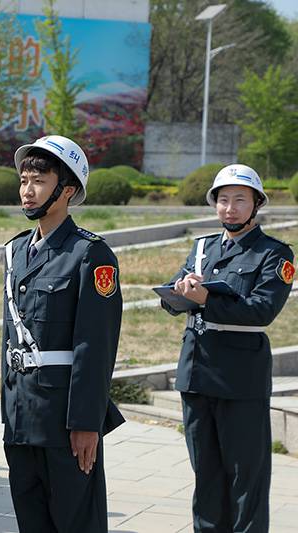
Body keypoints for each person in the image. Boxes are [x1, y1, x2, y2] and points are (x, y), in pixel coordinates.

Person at [161, 164, 294, 533]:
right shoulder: (202, 248)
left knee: (246, 477)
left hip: (240, 379)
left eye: (240, 200)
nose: (230, 208)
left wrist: (206, 299)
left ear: (256, 205)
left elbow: (262, 310)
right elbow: (171, 301)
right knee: (205, 474)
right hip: (196, 373)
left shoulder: (274, 254)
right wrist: (178, 292)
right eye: (223, 200)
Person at [1, 135, 125, 533]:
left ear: (67, 190)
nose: (27, 190)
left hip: (64, 421)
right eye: (24, 180)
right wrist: (8, 412)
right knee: (31, 522)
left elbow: (96, 346)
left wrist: (87, 422)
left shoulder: (90, 254)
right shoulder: (16, 251)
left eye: (39, 181)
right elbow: (10, 338)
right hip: (21, 417)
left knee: (76, 523)